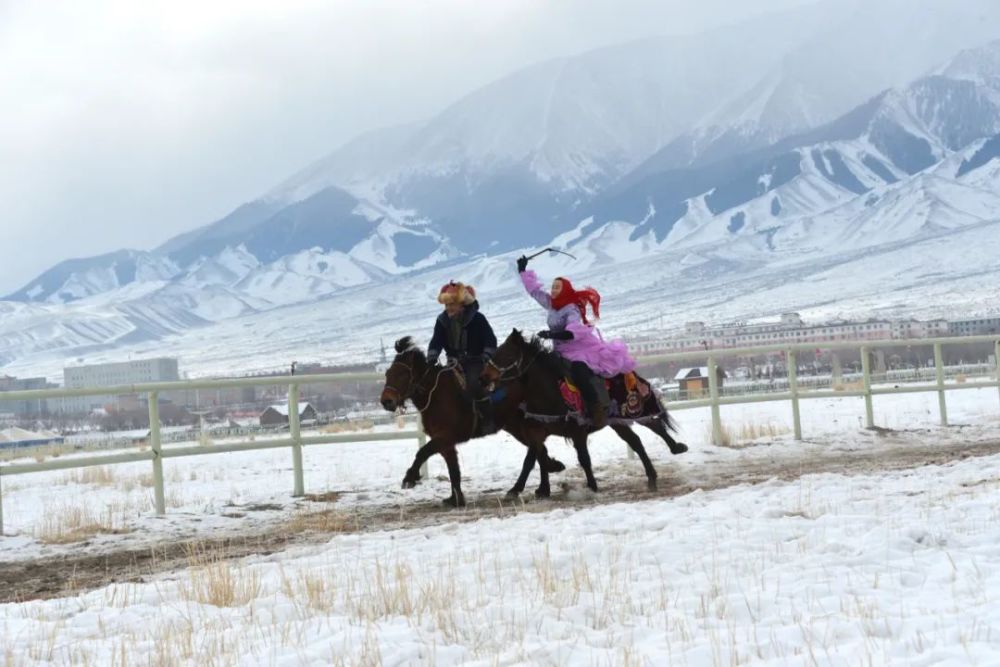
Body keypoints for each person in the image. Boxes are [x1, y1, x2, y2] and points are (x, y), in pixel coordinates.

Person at [516, 254, 637, 429]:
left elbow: (572, 332)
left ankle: (596, 408)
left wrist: (551, 335)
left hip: (579, 349)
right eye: (553, 287)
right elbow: (535, 292)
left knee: (580, 371)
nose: (553, 290)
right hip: (560, 350)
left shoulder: (571, 308)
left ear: (565, 290)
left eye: (557, 287)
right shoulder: (552, 304)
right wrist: (522, 270)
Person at [427, 281, 499, 435]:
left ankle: (488, 420)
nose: (448, 309)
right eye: (446, 305)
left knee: (475, 384)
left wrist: (486, 355)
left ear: (462, 304)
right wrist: (432, 357)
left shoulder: (478, 318)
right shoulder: (442, 321)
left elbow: (490, 339)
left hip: (476, 361)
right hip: (453, 362)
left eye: (452, 304)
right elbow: (436, 340)